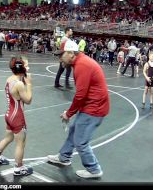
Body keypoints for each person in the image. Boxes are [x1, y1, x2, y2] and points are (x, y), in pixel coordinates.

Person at [47, 40, 110, 179]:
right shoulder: (80, 62)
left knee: (80, 141)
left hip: (94, 108)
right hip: (91, 105)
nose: (59, 58)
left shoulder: (82, 65)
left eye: (61, 55)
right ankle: (64, 157)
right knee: (74, 130)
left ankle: (94, 169)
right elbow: (83, 94)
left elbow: (81, 95)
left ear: (70, 53)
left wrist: (68, 114)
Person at [0, 56, 33, 176]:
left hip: (9, 114)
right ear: (21, 68)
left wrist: (24, 80)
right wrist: (29, 84)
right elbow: (28, 100)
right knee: (21, 143)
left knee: (9, 137)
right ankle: (19, 168)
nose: (28, 67)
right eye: (26, 65)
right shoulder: (19, 84)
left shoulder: (10, 79)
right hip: (17, 116)